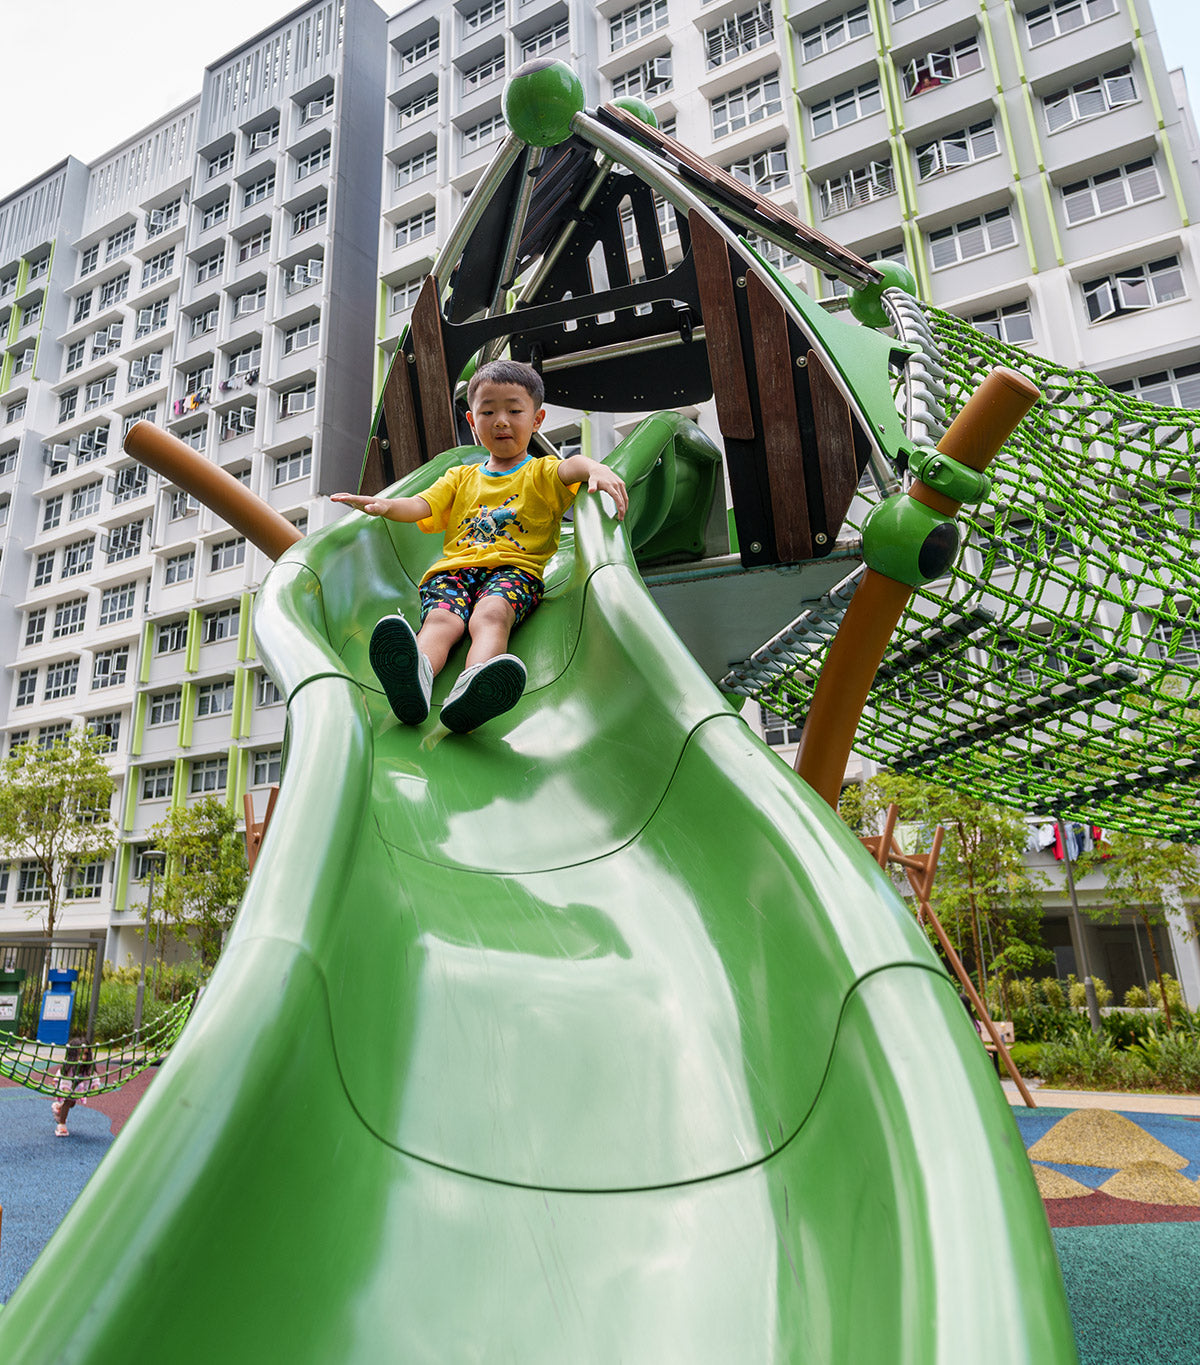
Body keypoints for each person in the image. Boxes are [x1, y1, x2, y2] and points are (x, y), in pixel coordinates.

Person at [333, 360, 628, 732]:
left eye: (514, 410)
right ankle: (416, 677)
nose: (501, 420)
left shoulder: (540, 472)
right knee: (441, 619)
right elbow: (423, 506)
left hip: (513, 571)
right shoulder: (461, 476)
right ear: (473, 422)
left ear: (537, 420)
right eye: (488, 411)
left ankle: (474, 684)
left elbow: (571, 468)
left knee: (491, 614)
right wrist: (386, 506)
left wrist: (595, 469)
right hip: (452, 571)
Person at [51, 1036, 97, 1137]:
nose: (83, 1058)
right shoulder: (69, 1066)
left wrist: (95, 1087)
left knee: (72, 1104)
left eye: (85, 1054)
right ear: (73, 1054)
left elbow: (93, 1077)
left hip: (75, 1086)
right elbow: (65, 1082)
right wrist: (67, 1092)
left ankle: (58, 1107)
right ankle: (61, 1125)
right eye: (79, 1054)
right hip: (63, 1083)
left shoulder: (87, 1066)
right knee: (68, 1101)